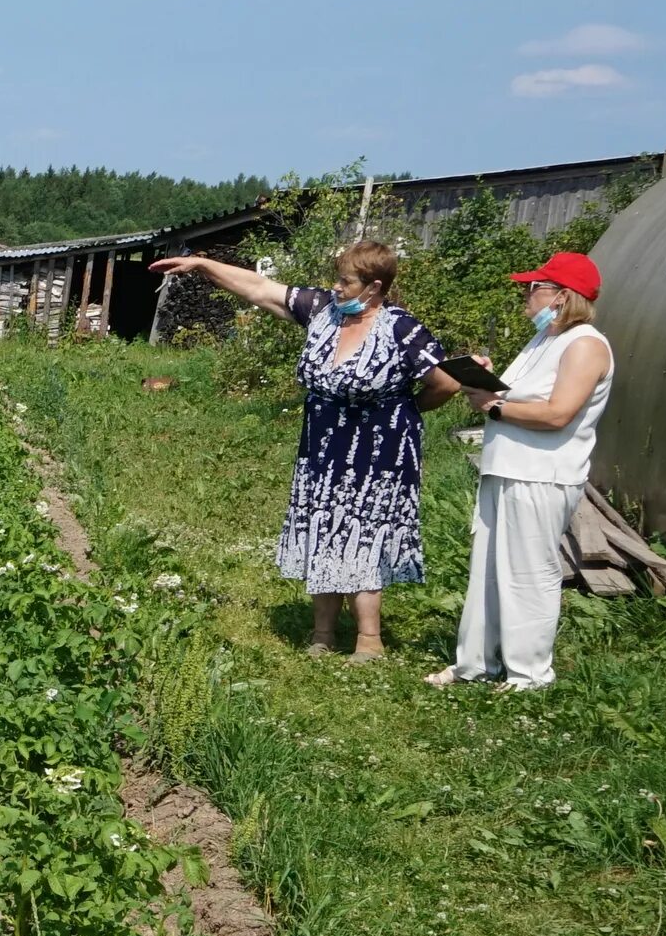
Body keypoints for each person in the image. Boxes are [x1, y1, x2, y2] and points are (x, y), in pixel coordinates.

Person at [152, 241, 471, 657]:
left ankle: (369, 641)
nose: (336, 287)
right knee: (323, 527)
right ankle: (322, 634)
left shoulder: (401, 328)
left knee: (364, 536)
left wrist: (404, 411)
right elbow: (260, 288)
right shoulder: (324, 312)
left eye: (345, 281)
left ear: (374, 287)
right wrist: (201, 264)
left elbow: (445, 382)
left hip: (379, 457)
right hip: (322, 450)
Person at [428, 252, 614, 691]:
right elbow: (521, 399)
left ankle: (529, 674)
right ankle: (476, 663)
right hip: (506, 469)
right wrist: (485, 383)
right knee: (489, 568)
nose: (525, 297)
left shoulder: (585, 344)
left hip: (541, 475)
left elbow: (558, 414)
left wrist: (495, 408)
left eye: (534, 289)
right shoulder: (546, 339)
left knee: (529, 573)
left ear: (562, 296)